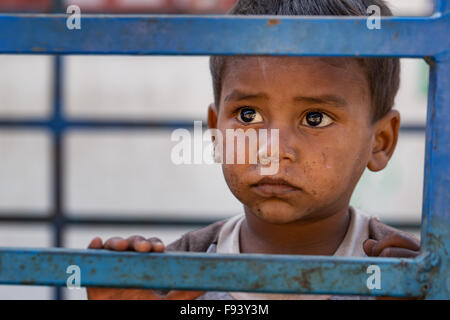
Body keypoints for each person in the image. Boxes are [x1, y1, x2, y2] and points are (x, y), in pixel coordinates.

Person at [87, 0, 420, 300]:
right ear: (217, 132)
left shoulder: (399, 272)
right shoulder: (177, 271)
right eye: (248, 115)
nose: (272, 151)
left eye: (315, 118)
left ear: (380, 141)